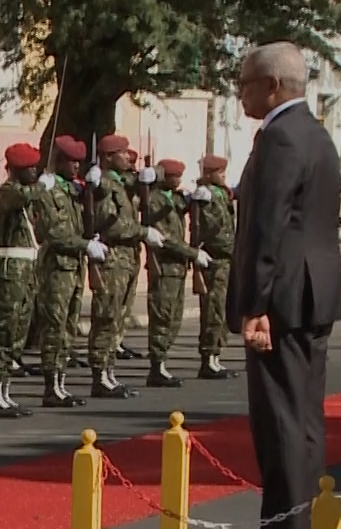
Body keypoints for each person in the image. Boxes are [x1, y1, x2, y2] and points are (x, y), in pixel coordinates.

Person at [221, 42, 341, 529]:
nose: (241, 92)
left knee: (278, 422)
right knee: (303, 421)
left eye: (246, 82)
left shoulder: (278, 137)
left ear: (273, 85)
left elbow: (265, 229)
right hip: (314, 292)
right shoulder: (316, 134)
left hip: (283, 301)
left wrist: (255, 305)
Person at [0, 144, 49, 418]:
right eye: (30, 168)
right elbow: (22, 198)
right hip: (11, 269)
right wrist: (42, 186)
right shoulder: (8, 191)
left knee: (18, 333)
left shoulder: (25, 194)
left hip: (27, 268)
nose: (35, 172)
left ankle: (5, 392)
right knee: (4, 331)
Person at [31, 135, 94, 407]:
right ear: (58, 161)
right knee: (54, 328)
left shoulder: (71, 191)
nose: (76, 167)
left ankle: (61, 383)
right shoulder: (48, 191)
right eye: (71, 162)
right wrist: (85, 244)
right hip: (56, 268)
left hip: (74, 268)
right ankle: (50, 385)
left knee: (68, 329)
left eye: (79, 162)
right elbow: (54, 234)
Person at [86, 134, 143, 398]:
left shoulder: (121, 183)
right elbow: (115, 224)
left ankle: (109, 371)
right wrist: (143, 231)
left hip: (127, 258)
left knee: (119, 318)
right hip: (113, 258)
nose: (128, 157)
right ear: (108, 157)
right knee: (107, 317)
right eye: (122, 153)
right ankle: (100, 374)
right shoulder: (104, 186)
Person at [140, 158, 197, 387]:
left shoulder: (172, 198)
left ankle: (162, 361)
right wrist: (193, 253)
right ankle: (157, 365)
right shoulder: (154, 200)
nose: (179, 181)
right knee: (162, 317)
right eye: (175, 176)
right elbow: (166, 238)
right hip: (164, 267)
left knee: (174, 318)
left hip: (177, 268)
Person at [191, 155, 238, 380]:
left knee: (223, 311)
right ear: (208, 174)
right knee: (213, 310)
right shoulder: (205, 196)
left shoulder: (221, 193)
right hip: (215, 260)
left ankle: (216, 356)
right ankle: (208, 358)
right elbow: (209, 230)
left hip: (226, 260)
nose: (223, 176)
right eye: (219, 172)